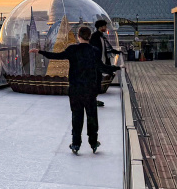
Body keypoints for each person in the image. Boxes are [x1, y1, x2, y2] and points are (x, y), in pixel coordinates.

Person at [31, 26, 122, 155]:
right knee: (92, 117)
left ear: (78, 36)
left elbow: (57, 56)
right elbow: (102, 68)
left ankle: (75, 144)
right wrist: (116, 68)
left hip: (75, 89)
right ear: (89, 37)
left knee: (77, 117)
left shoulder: (72, 49)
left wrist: (40, 51)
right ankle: (93, 142)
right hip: (90, 90)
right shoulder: (94, 51)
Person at [90, 19, 122, 107]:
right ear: (101, 27)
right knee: (96, 83)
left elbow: (107, 47)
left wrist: (115, 51)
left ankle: (94, 100)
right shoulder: (95, 37)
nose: (106, 27)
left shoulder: (101, 36)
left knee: (98, 82)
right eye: (105, 26)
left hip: (101, 62)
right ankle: (92, 100)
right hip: (97, 63)